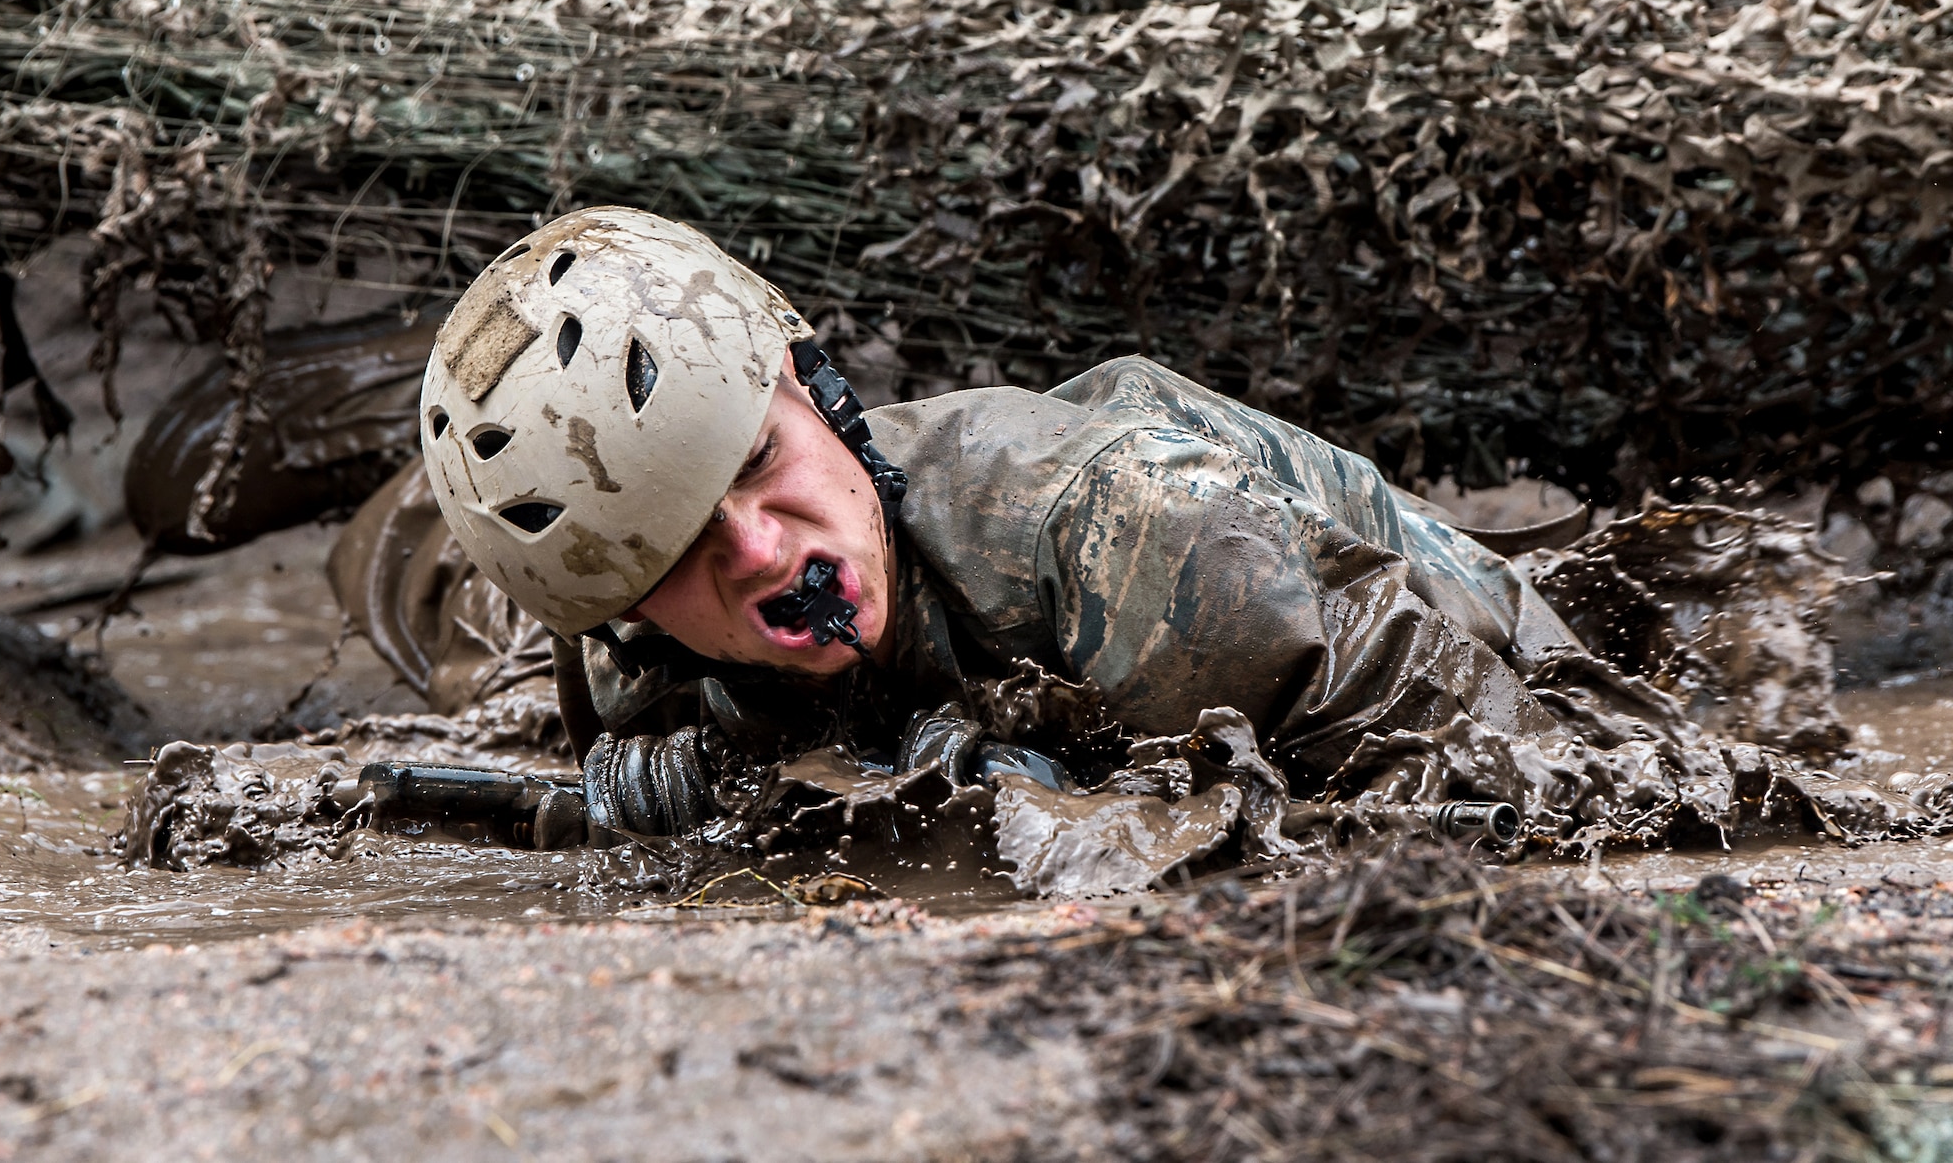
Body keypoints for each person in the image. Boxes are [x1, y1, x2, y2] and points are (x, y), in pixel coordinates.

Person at [416, 207, 1587, 837]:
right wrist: (721, 793)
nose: (765, 551)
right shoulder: (632, 664)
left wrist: (1086, 800)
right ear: (620, 615)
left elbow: (1544, 784)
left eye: (762, 459)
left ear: (813, 386)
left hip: (1512, 662)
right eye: (678, 555)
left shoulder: (1134, 540)